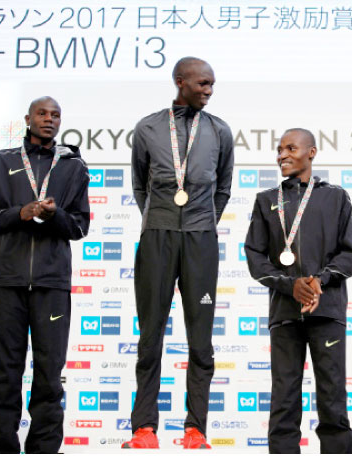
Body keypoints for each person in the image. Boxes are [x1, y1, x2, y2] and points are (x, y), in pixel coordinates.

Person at [123, 57, 234, 450]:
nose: (209, 90)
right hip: (157, 236)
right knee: (150, 335)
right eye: (203, 83)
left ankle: (195, 429)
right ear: (180, 81)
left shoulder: (220, 130)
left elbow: (223, 188)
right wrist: (161, 219)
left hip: (201, 240)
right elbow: (140, 187)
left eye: (212, 84)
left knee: (200, 340)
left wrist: (202, 223)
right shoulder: (149, 127)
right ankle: (143, 428)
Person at [0, 96, 90, 453]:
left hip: (52, 285)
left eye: (56, 115)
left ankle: (43, 449)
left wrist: (53, 215)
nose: (49, 119)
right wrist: (20, 213)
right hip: (8, 282)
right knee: (4, 373)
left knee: (49, 374)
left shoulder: (74, 167)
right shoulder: (1, 162)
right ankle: (3, 448)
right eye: (42, 113)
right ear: (28, 118)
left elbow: (80, 226)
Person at [244, 128, 352, 454]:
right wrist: (289, 285)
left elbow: (347, 254)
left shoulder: (336, 196)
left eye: (290, 148)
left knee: (333, 399)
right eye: (279, 149)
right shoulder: (266, 200)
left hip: (327, 311)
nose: (282, 155)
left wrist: (317, 282)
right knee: (284, 399)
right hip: (285, 312)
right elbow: (255, 256)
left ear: (312, 152)